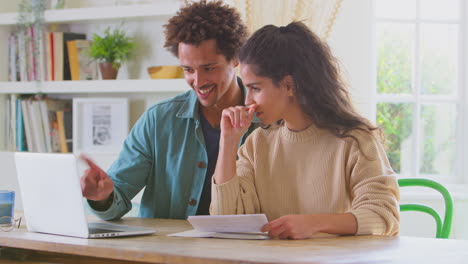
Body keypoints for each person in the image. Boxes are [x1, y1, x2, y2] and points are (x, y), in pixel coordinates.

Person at [210, 21, 400, 239]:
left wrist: (314, 223)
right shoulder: (257, 143)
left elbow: (384, 215)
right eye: (247, 88)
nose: (248, 100)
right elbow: (225, 221)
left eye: (256, 88)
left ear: (289, 86)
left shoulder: (355, 140)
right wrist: (228, 142)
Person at [80, 0, 256, 220]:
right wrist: (102, 197)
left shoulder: (266, 119)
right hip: (167, 251)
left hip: (240, 249)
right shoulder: (158, 120)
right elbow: (118, 196)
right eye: (188, 70)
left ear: (236, 58)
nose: (198, 81)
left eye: (208, 68)